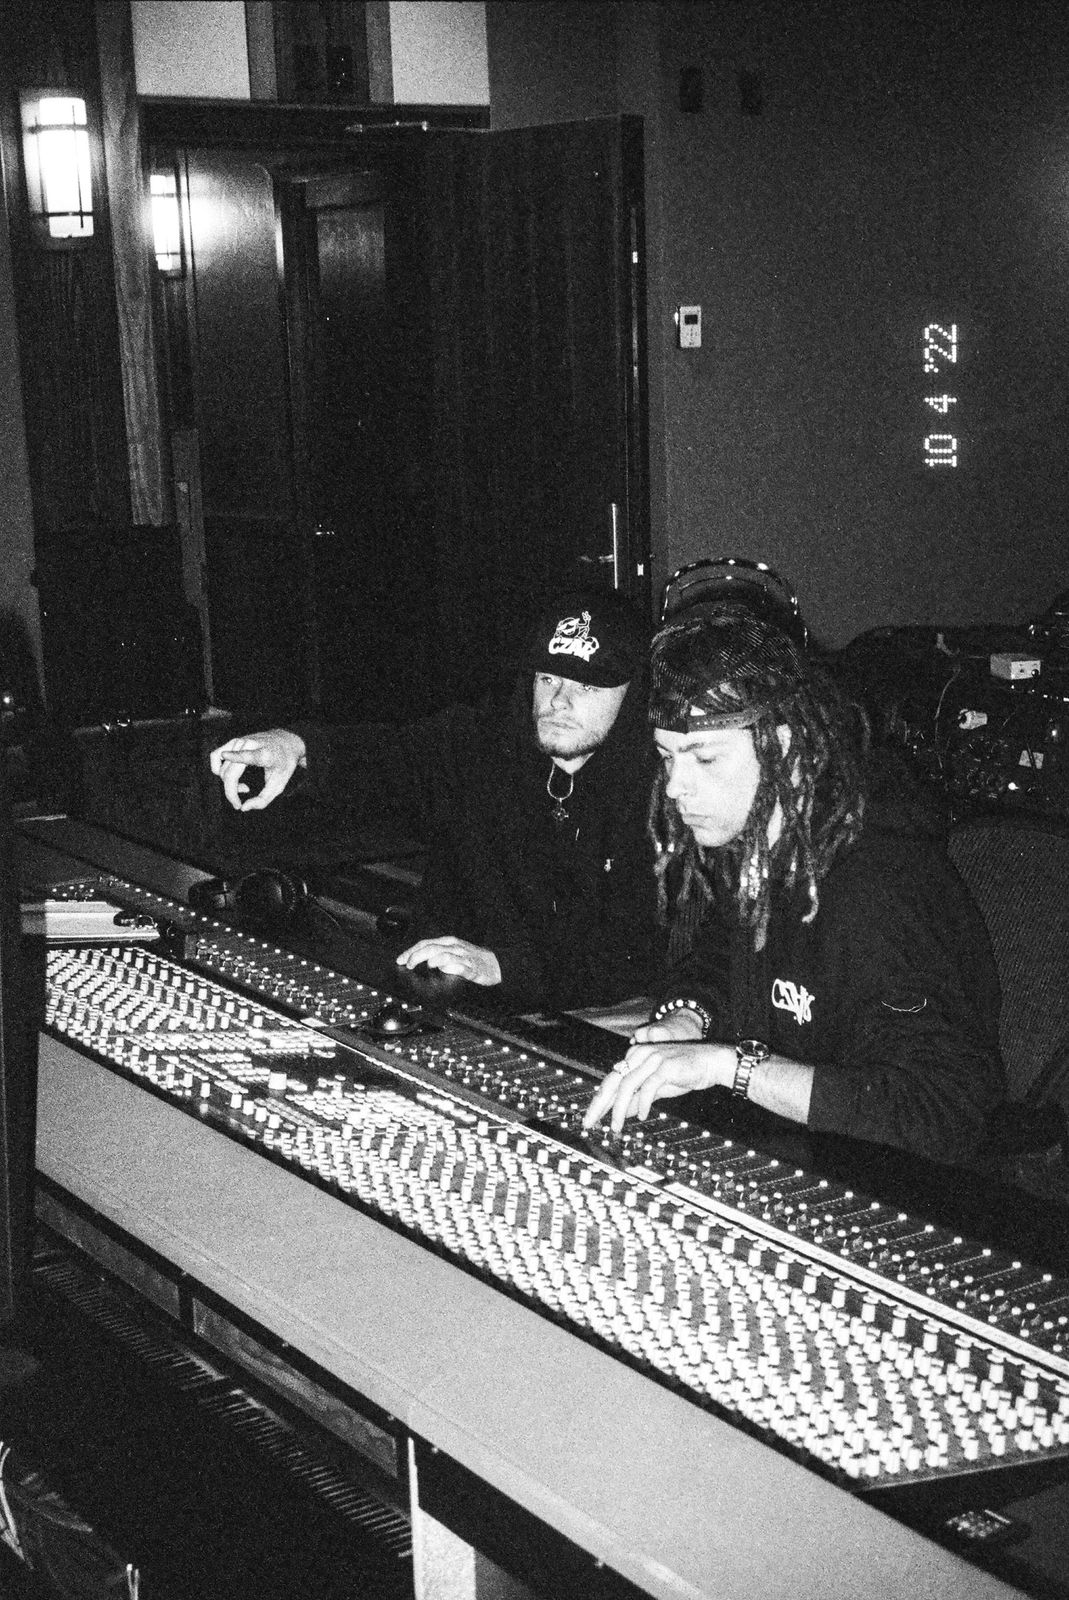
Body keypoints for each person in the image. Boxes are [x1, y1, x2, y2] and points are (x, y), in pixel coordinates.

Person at [583, 602, 1006, 1168]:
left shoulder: (877, 887)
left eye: (704, 758)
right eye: (667, 758)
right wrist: (689, 1019)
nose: (677, 786)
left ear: (782, 746)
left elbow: (942, 1112)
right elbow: (720, 961)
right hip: (794, 1147)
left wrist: (730, 1066)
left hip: (893, 1181)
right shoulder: (755, 843)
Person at [209, 589, 661, 1012]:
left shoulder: (665, 790)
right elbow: (390, 758)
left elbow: (642, 953)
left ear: (633, 695)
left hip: (588, 1016)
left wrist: (505, 967)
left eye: (586, 687)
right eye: (548, 678)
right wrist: (298, 747)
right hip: (451, 999)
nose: (558, 701)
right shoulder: (483, 744)